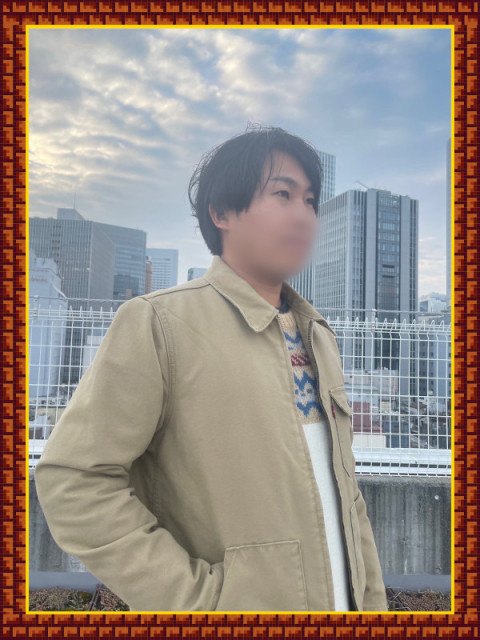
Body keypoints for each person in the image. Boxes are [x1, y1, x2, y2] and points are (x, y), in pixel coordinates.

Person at [34, 124, 388, 613]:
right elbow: (75, 480)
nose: (304, 215)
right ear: (221, 212)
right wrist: (197, 602)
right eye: (283, 194)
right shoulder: (160, 323)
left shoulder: (319, 336)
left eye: (310, 200)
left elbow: (350, 501)